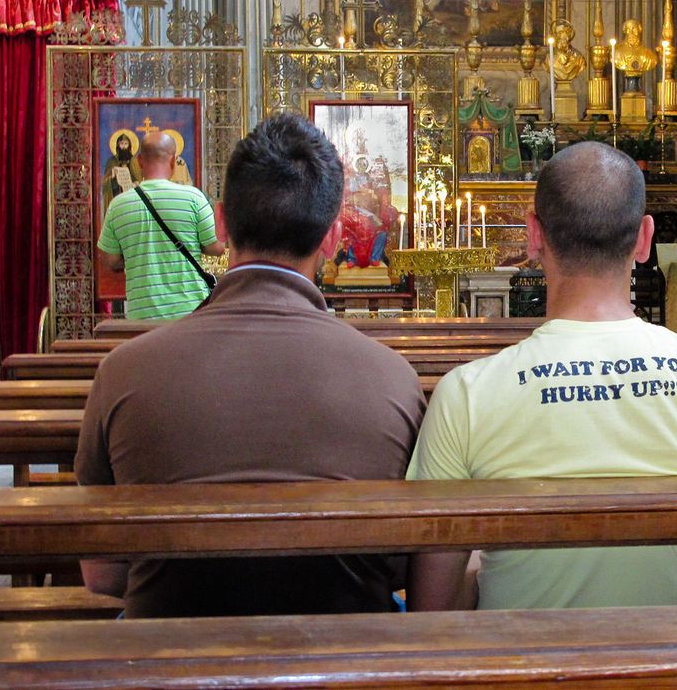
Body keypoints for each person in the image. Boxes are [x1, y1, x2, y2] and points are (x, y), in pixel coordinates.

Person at [406, 141, 677, 611]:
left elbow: (436, 607)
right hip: (666, 672)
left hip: (520, 673)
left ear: (534, 236)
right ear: (645, 239)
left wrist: (492, 568)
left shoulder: (464, 395)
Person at [75, 113, 427, 618]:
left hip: (168, 662)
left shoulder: (123, 372)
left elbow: (103, 575)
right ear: (332, 239)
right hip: (347, 663)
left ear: (220, 220)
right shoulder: (392, 379)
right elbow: (396, 563)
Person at [97, 131, 225, 320]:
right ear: (173, 161)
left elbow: (110, 260)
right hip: (190, 312)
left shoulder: (118, 205)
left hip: (142, 316)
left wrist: (138, 253)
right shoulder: (194, 198)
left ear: (139, 161)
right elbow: (217, 247)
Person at [101, 131, 141, 212]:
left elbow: (139, 179)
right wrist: (112, 175)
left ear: (129, 145)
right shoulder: (111, 161)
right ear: (117, 145)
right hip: (116, 196)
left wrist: (135, 184)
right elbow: (104, 182)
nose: (123, 146)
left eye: (126, 144)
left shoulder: (134, 161)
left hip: (131, 197)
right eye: (121, 143)